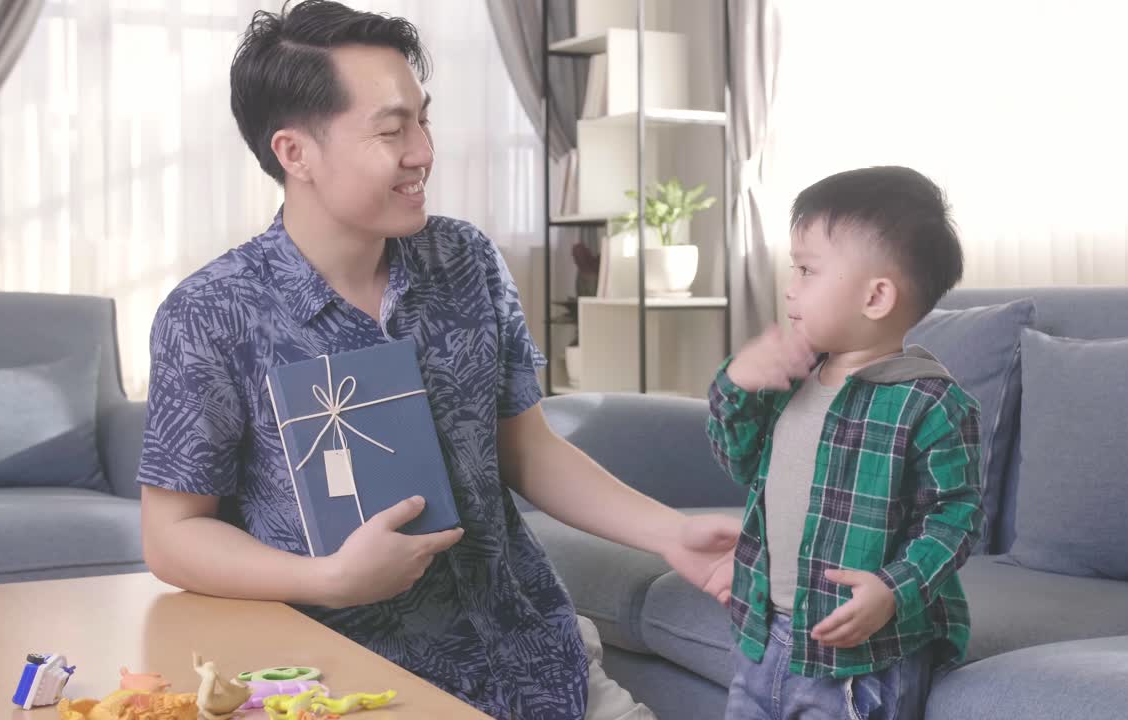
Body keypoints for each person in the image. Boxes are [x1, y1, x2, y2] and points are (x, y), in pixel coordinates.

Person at [136, 3, 739, 718]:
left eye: (423, 120)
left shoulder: (466, 260)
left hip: (539, 658)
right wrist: (328, 578)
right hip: (353, 683)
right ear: (295, 153)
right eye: (392, 130)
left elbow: (526, 449)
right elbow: (172, 536)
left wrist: (669, 532)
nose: (423, 150)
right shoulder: (209, 313)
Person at [708, 166, 985, 720]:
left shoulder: (928, 402)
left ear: (877, 297)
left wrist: (894, 589)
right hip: (765, 638)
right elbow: (739, 461)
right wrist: (735, 385)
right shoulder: (793, 376)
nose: (790, 287)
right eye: (793, 268)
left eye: (807, 270)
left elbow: (955, 518)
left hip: (861, 663)